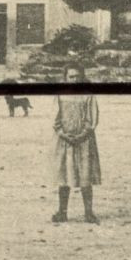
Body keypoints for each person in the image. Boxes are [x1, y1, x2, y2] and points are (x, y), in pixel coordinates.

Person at [51, 63, 101, 224]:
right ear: (65, 78)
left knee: (85, 176)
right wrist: (64, 134)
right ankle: (62, 212)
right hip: (64, 141)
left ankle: (88, 213)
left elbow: (92, 118)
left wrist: (82, 135)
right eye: (71, 77)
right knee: (65, 176)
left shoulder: (88, 95)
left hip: (84, 141)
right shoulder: (60, 95)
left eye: (78, 77)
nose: (75, 79)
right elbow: (55, 118)